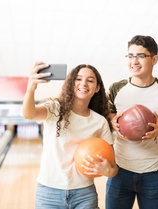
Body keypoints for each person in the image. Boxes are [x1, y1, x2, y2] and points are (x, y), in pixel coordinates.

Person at [22, 62, 118, 209]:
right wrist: (30, 89)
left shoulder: (100, 122)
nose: (83, 83)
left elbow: (113, 168)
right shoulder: (54, 108)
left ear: (97, 88)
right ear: (71, 83)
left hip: (84, 194)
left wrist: (108, 171)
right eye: (78, 79)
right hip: (49, 192)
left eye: (90, 80)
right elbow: (29, 114)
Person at [105, 35, 158, 209]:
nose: (134, 61)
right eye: (130, 56)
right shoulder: (116, 89)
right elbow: (105, 124)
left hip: (153, 173)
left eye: (140, 56)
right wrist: (112, 123)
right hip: (119, 171)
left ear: (154, 59)